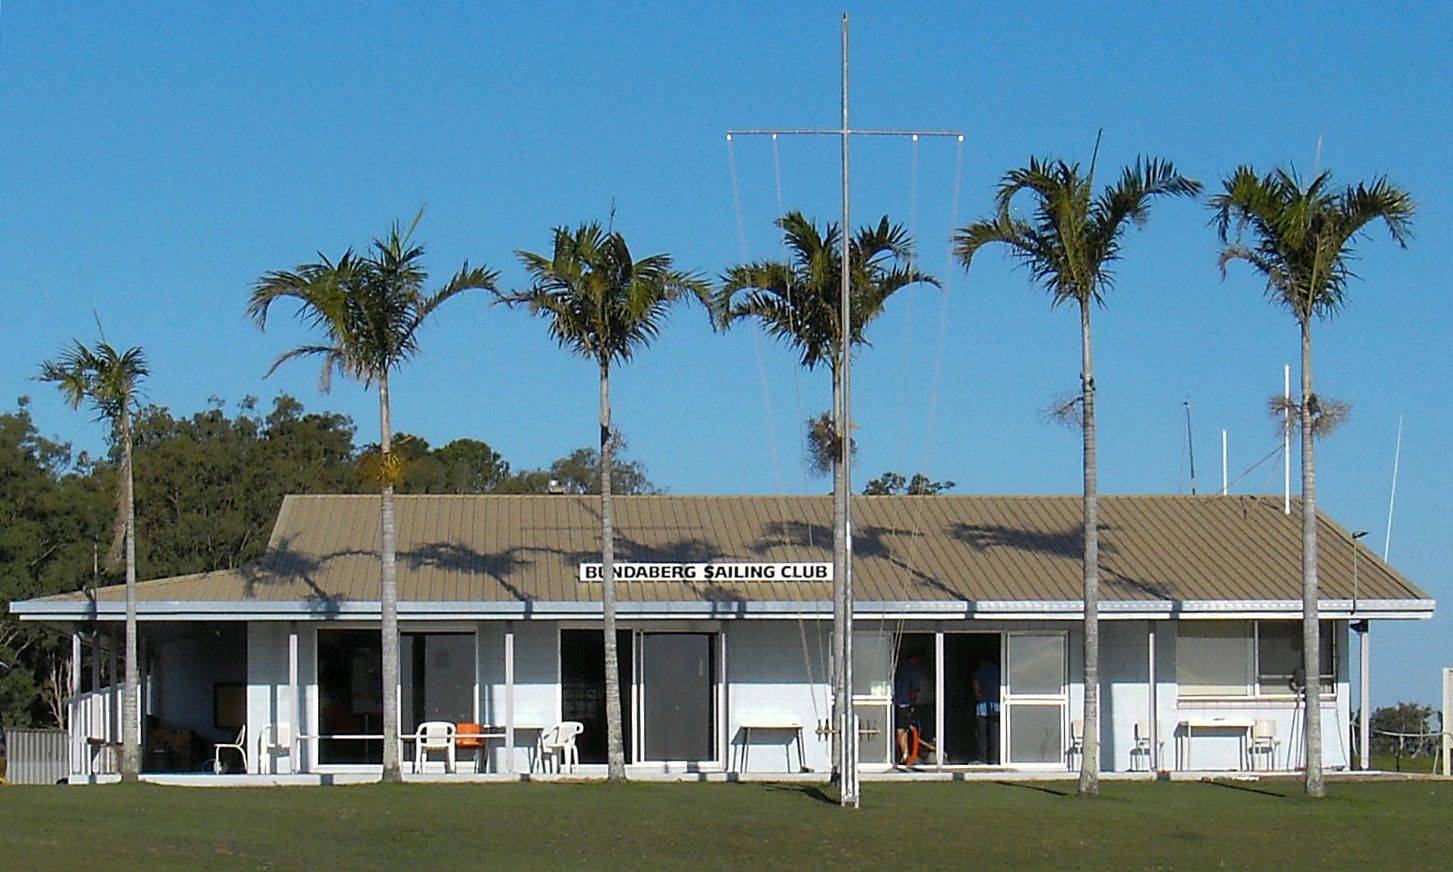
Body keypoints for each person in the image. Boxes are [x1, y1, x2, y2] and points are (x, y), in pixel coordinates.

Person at [894, 653, 925, 766]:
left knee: (904, 729)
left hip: (897, 702)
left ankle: (905, 753)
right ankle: (905, 755)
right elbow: (914, 691)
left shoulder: (901, 669)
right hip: (905, 704)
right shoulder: (912, 671)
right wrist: (913, 704)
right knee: (902, 729)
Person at [972, 659, 1001, 764]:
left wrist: (979, 695)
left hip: (982, 708)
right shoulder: (998, 670)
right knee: (995, 734)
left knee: (982, 735)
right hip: (996, 707)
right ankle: (995, 759)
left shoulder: (979, 672)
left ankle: (982, 759)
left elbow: (976, 687)